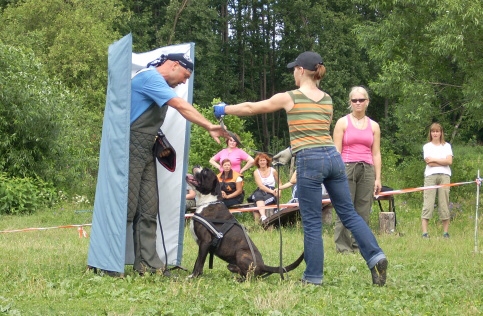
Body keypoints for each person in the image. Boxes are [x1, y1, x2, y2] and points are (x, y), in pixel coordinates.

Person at [213, 51, 388, 286]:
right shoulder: (327, 99)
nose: (293, 73)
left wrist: (224, 109)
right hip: (334, 159)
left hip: (310, 160)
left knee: (313, 221)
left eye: (294, 69)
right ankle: (376, 256)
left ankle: (313, 277)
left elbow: (252, 107)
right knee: (349, 214)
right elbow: (315, 131)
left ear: (301, 71)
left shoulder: (290, 97)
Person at [128, 53, 227, 275]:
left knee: (148, 207)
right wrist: (209, 126)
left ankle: (148, 266)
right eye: (185, 75)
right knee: (126, 207)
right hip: (130, 147)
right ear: (174, 65)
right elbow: (180, 105)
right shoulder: (149, 78)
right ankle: (108, 263)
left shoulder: (159, 83)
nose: (184, 81)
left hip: (145, 149)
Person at [332, 86, 382, 253]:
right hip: (346, 167)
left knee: (363, 209)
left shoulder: (374, 126)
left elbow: (376, 153)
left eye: (361, 100)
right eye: (355, 100)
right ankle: (343, 246)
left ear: (367, 102)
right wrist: (336, 173)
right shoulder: (342, 122)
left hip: (367, 168)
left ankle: (359, 244)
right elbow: (336, 151)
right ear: (350, 103)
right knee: (345, 207)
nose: (358, 103)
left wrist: (378, 178)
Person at [421, 122, 453, 238]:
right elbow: (429, 163)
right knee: (428, 202)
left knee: (444, 202)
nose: (435, 133)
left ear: (441, 133)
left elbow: (449, 162)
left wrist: (434, 159)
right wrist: (441, 161)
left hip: (445, 176)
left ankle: (445, 232)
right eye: (433, 131)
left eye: (437, 131)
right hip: (430, 176)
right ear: (430, 133)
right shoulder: (427, 146)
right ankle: (425, 233)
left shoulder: (447, 146)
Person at [247, 153, 280, 222]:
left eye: (263, 160)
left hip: (271, 189)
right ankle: (263, 216)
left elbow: (280, 183)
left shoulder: (273, 171)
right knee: (257, 195)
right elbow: (261, 186)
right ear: (258, 162)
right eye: (260, 161)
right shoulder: (256, 172)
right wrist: (272, 192)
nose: (262, 162)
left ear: (267, 161)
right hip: (261, 190)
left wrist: (279, 192)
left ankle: (262, 220)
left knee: (260, 201)